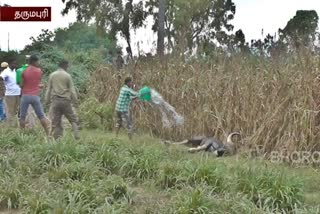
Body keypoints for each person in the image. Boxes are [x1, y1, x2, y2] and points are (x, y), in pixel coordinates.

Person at [45, 59, 79, 140]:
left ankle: (56, 139)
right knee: (72, 119)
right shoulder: (67, 76)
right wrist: (75, 101)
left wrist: (47, 100)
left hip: (55, 101)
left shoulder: (52, 75)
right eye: (67, 66)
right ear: (65, 65)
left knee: (56, 121)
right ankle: (77, 136)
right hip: (66, 101)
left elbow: (48, 89)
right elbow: (72, 90)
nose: (68, 67)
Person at [19, 55, 49, 135]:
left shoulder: (24, 72)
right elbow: (37, 83)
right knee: (41, 116)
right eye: (37, 61)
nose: (38, 63)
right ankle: (48, 133)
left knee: (22, 116)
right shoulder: (39, 71)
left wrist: (25, 85)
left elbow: (21, 85)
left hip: (25, 96)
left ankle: (22, 135)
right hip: (35, 96)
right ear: (33, 61)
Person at [0, 58, 21, 127]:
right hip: (10, 95)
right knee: (10, 111)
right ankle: (9, 127)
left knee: (16, 111)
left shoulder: (16, 71)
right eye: (14, 63)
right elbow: (1, 78)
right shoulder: (6, 72)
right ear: (10, 64)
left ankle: (14, 125)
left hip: (18, 93)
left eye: (16, 63)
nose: (15, 65)